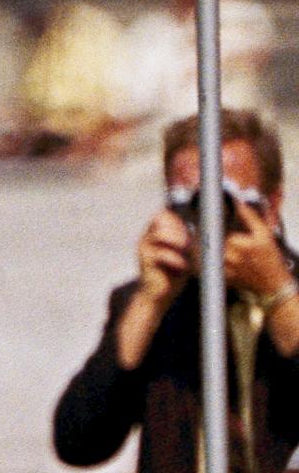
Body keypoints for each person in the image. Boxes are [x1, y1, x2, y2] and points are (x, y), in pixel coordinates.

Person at [54, 110, 299, 472]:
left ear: (272, 205)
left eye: (226, 201)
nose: (211, 218)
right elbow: (80, 442)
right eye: (194, 203)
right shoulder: (151, 303)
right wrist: (149, 305)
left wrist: (278, 294)